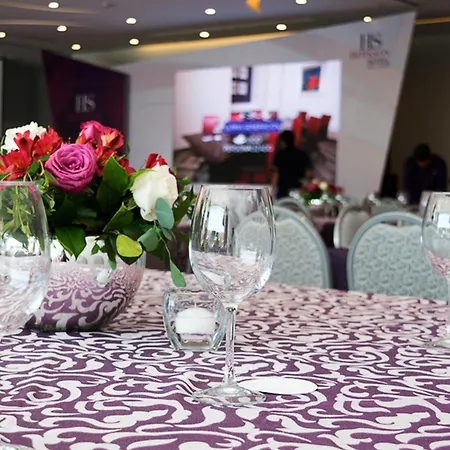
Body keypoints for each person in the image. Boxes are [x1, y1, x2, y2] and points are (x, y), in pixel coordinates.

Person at [271, 130, 312, 199]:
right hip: (299, 190)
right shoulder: (301, 154)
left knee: (282, 206)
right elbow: (308, 173)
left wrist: (273, 190)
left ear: (282, 141)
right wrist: (306, 186)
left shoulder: (280, 155)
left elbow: (276, 174)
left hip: (283, 191)